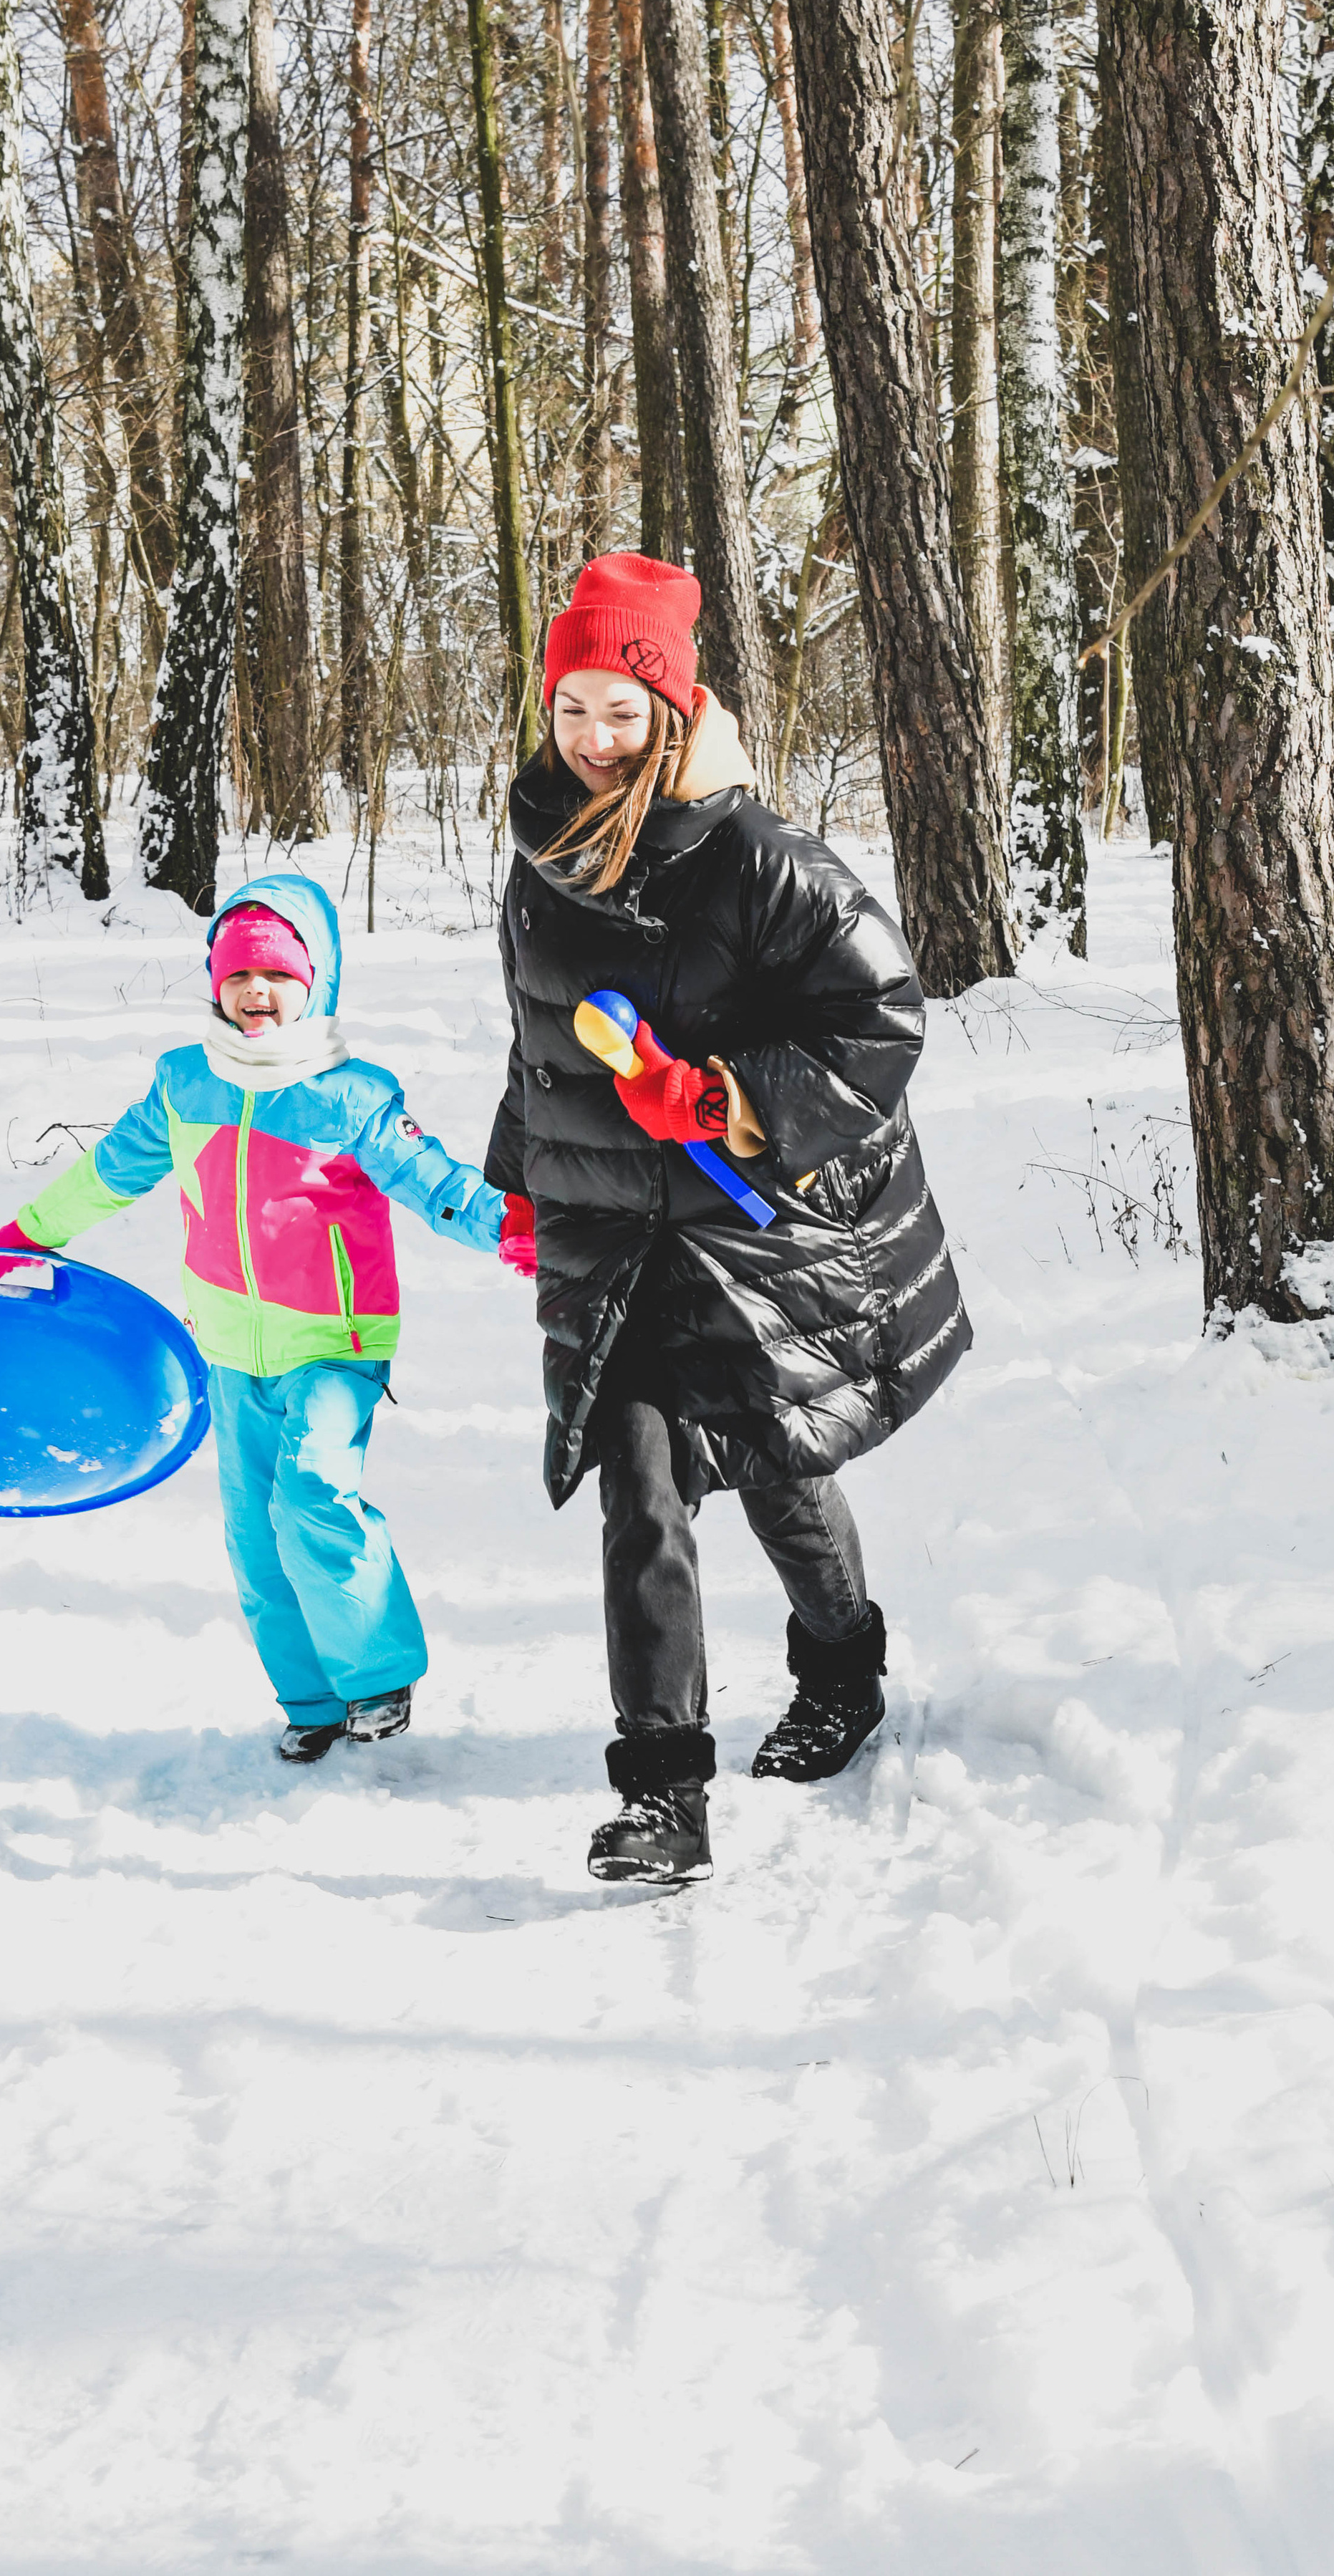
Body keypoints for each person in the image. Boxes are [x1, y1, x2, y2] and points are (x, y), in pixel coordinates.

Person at [485, 554, 971, 1884]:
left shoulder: (763, 860)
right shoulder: (541, 855)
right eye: (572, 708)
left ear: (675, 711)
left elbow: (883, 1020)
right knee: (640, 1494)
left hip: (748, 1232)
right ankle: (665, 1795)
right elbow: (541, 1044)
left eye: (621, 711)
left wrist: (724, 1097)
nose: (593, 737)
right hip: (614, 1236)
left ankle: (843, 1669)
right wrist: (522, 1180)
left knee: (777, 1468)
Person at [0, 872, 536, 1760]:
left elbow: (427, 1177)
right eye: (239, 974)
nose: (256, 992)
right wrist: (31, 1235)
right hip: (231, 1348)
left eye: (279, 974)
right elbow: (114, 1170)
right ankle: (312, 1699)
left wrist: (505, 1224)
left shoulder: (350, 1094)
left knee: (313, 1492)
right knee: (254, 1534)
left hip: (334, 1341)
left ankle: (376, 1676)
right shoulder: (184, 1084)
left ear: (316, 983)